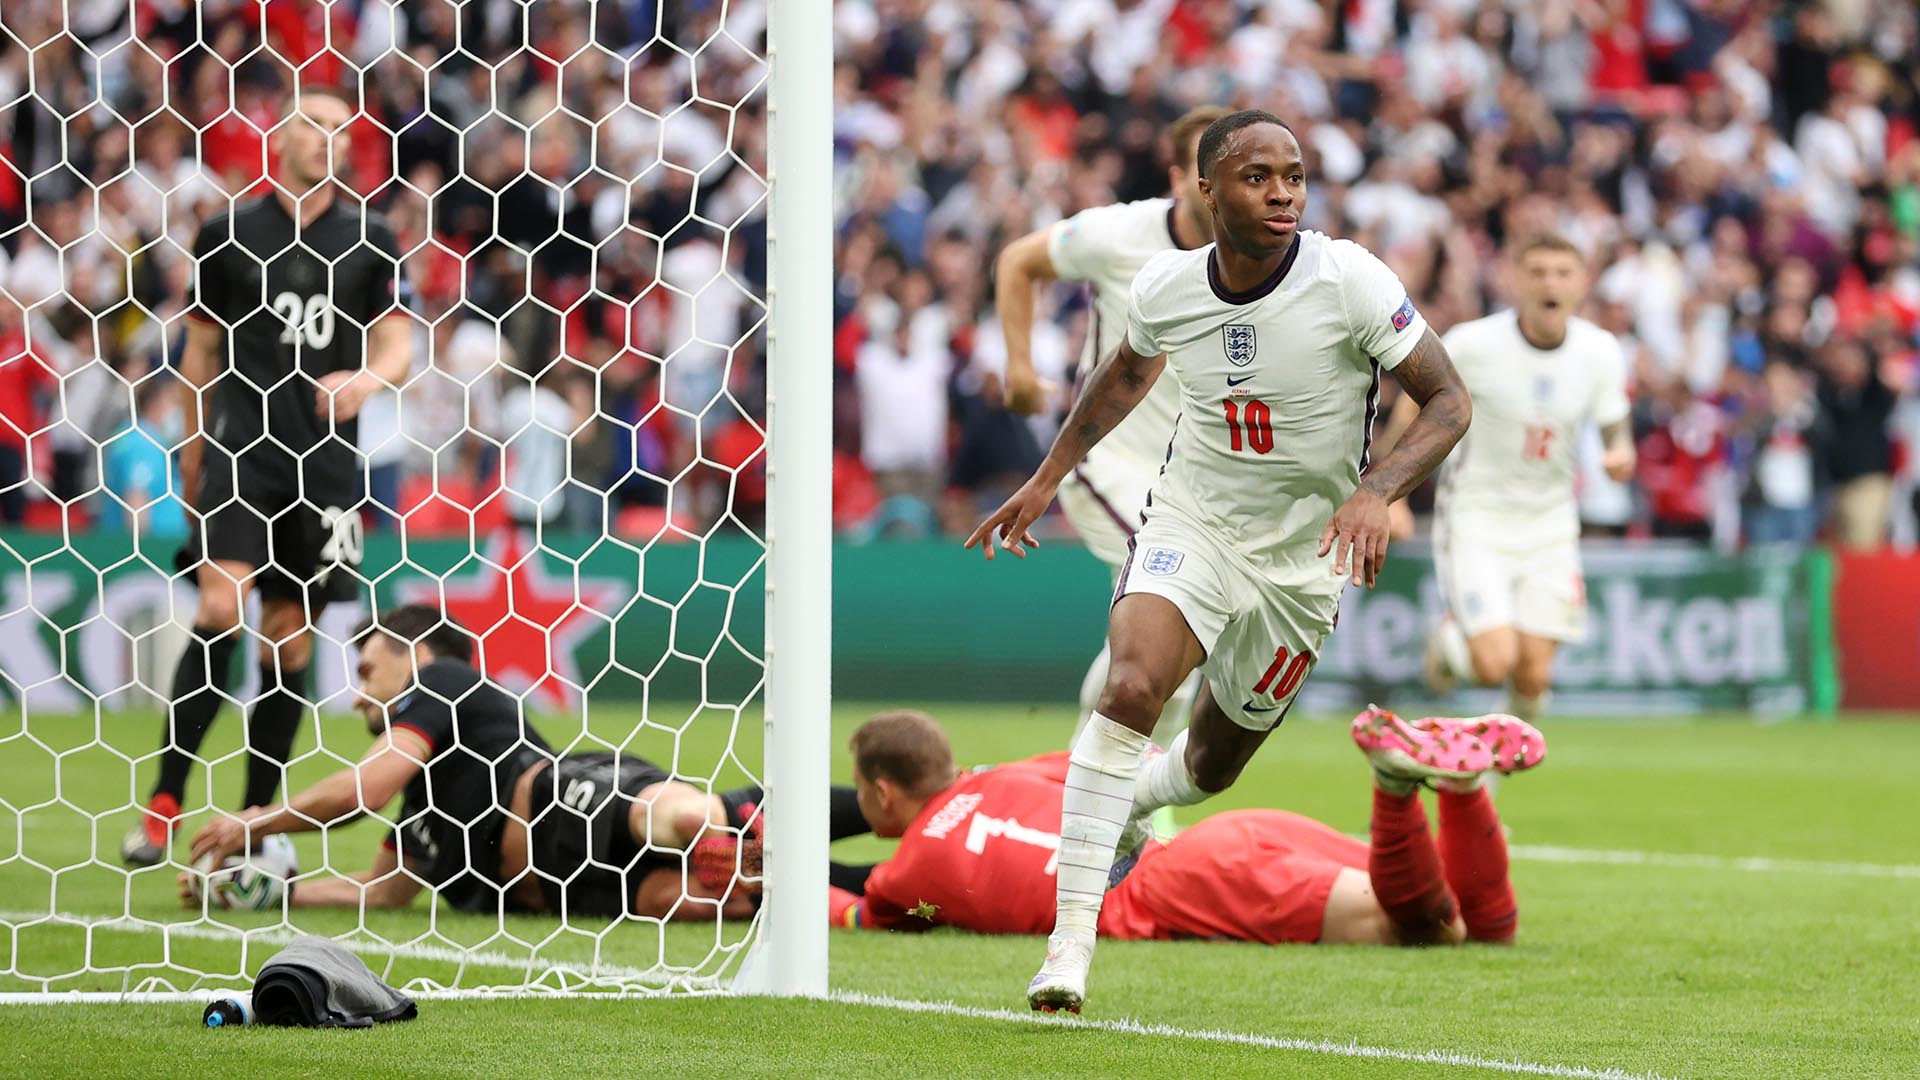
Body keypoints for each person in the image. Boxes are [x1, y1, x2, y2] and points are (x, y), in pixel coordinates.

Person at [965, 109, 1473, 1012]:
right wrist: (1046, 479)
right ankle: (1068, 948)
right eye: (1257, 176)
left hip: (1302, 559)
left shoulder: (1347, 278)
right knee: (1129, 689)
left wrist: (1376, 489)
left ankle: (1132, 802)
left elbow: (1447, 402)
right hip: (1191, 522)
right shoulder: (1166, 284)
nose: (1282, 192)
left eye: (1294, 175)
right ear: (1206, 189)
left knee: (1211, 767)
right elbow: (1122, 376)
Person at [124, 86, 415, 866]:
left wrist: (365, 382)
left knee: (287, 640)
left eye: (339, 131)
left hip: (323, 463)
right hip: (238, 451)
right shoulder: (226, 234)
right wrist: (189, 448)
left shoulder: (373, 237)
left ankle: (252, 824)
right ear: (280, 134)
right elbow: (200, 353)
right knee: (221, 604)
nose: (327, 139)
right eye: (313, 125)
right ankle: (163, 802)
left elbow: (399, 342)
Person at [183, 604, 765, 920]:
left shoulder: (442, 681)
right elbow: (381, 892)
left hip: (567, 801)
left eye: (366, 673)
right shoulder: (427, 807)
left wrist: (252, 822)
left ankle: (751, 819)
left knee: (685, 824)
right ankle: (844, 896)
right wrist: (267, 891)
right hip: (571, 891)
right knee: (715, 902)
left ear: (417, 657)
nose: (358, 696)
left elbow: (364, 790)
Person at [831, 708, 1541, 961]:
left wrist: (761, 880)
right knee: (1485, 932)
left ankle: (1394, 786)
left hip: (1183, 888)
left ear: (883, 793)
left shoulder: (908, 872)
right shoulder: (1011, 775)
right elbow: (1121, 764)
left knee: (1425, 929)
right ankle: (1464, 790)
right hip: (1219, 840)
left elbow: (855, 910)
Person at [994, 104, 1228, 745]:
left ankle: (1108, 784)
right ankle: (1101, 783)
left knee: (1181, 640)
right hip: (1108, 459)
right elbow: (1019, 260)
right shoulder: (1119, 234)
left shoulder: (1265, 259)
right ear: (1180, 178)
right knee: (1175, 604)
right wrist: (1018, 366)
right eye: (1208, 172)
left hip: (1193, 484)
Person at [1384, 234, 1634, 727]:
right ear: (1516, 280)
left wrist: (1620, 452)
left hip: (1551, 525)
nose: (1550, 283)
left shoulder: (1600, 351)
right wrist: (1392, 492)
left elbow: (1614, 425)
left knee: (1533, 678)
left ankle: (1489, 776)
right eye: (1538, 272)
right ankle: (1451, 645)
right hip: (1477, 519)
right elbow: (1416, 400)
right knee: (1494, 663)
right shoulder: (1473, 344)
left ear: (1582, 284)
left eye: (1562, 273)